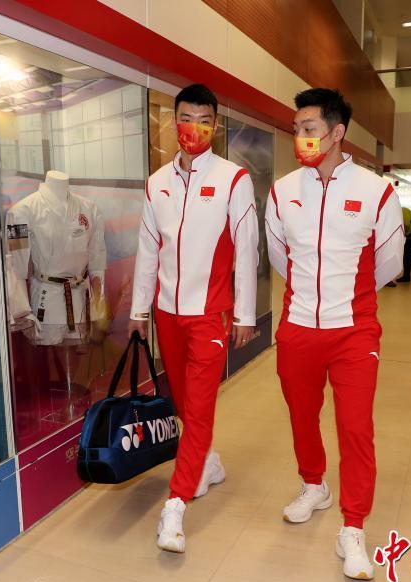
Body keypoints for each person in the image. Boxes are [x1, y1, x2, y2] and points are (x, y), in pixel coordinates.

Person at [265, 88, 404, 580]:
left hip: (354, 330)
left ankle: (354, 525)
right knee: (302, 416)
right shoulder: (282, 191)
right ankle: (314, 485)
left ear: (337, 132)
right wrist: (310, 299)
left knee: (355, 427)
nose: (300, 137)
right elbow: (280, 257)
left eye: (309, 129)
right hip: (299, 326)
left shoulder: (376, 191)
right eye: (296, 129)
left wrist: (347, 299)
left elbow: (389, 262)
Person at [130, 83, 258, 553]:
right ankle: (206, 462)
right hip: (167, 313)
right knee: (182, 401)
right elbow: (148, 249)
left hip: (210, 315)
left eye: (205, 120)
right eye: (186, 118)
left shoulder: (233, 179)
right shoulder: (157, 182)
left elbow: (247, 250)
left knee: (199, 409)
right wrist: (139, 309)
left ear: (215, 126)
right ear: (173, 121)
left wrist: (244, 313)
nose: (195, 128)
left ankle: (175, 505)